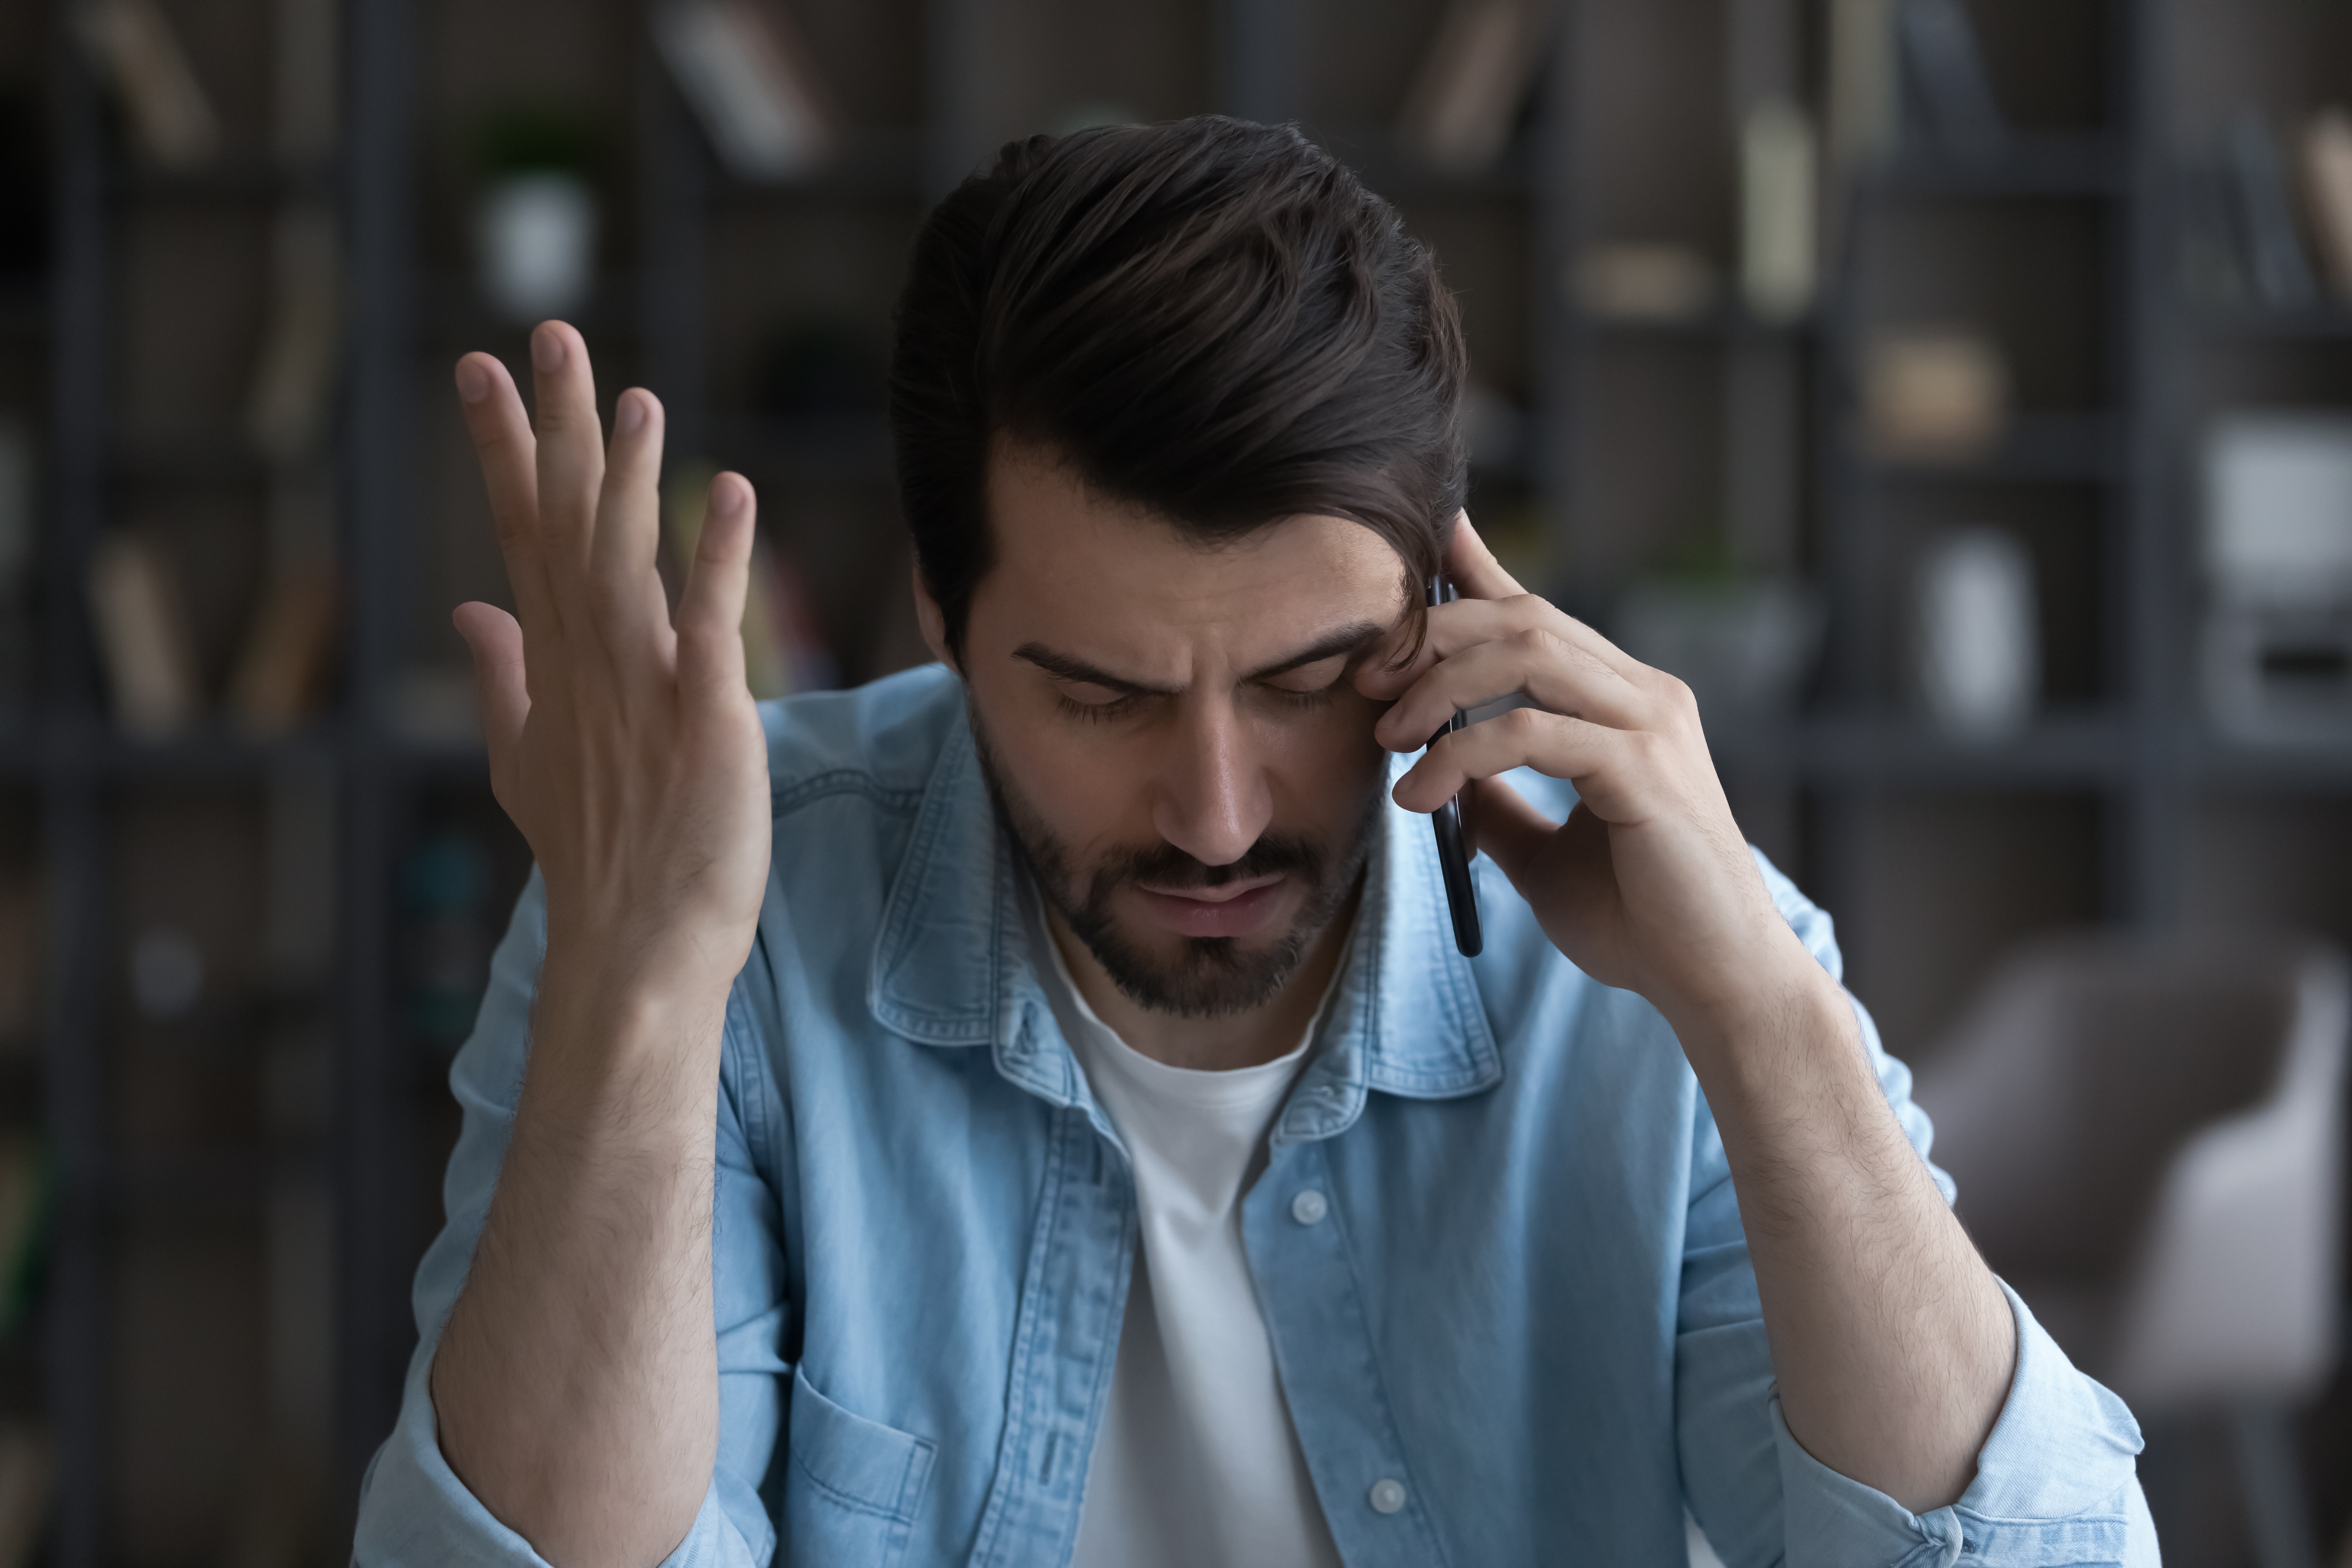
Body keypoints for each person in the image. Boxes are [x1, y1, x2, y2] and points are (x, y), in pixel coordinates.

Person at [353, 118, 2153, 1567]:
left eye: (1306, 680)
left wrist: (1762, 1018)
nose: (1218, 812)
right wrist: (641, 995)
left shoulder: (1652, 941)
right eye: (1101, 696)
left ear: (1445, 600)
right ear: (939, 615)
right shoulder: (694, 903)